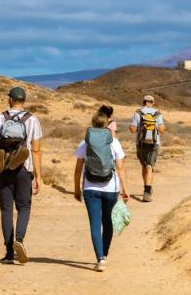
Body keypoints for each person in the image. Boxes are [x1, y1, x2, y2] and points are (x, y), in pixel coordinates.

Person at [0, 86, 43, 264]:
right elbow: (37, 150)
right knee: (24, 207)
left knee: (6, 209)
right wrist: (38, 176)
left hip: (3, 170)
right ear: (24, 101)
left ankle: (9, 252)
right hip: (25, 168)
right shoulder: (33, 120)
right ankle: (19, 240)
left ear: (10, 99)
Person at [74, 111, 129, 272]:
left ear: (92, 124)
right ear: (106, 125)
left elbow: (78, 170)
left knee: (95, 224)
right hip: (111, 188)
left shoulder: (85, 143)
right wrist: (126, 189)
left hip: (90, 189)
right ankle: (105, 254)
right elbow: (120, 168)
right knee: (108, 222)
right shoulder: (114, 142)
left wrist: (76, 188)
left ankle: (100, 259)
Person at [129, 94, 166, 202]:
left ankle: (147, 187)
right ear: (152, 103)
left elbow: (132, 130)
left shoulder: (138, 112)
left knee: (144, 165)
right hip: (154, 143)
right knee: (150, 166)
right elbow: (162, 130)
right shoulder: (157, 113)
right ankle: (147, 191)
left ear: (143, 102)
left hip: (140, 143)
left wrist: (132, 127)